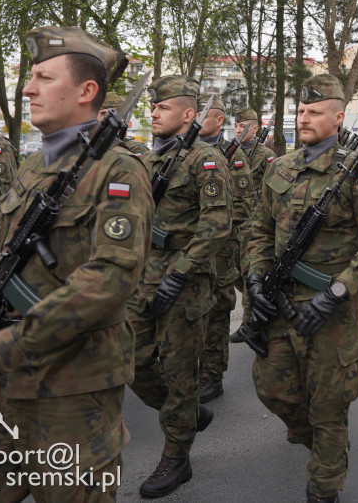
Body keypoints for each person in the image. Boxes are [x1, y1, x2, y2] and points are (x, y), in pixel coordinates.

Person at [0, 29, 150, 502]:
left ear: (86, 91)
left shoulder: (119, 170)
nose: (27, 88)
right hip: (2, 382)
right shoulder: (34, 166)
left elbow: (110, 279)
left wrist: (6, 346)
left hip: (72, 388)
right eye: (30, 77)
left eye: (42, 77)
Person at [246, 74, 358, 501]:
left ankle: (324, 484)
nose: (304, 117)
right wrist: (256, 275)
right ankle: (323, 445)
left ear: (339, 117)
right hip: (279, 302)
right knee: (272, 387)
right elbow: (259, 227)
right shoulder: (280, 167)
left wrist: (339, 290)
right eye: (301, 110)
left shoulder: (357, 173)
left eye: (314, 112)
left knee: (329, 403)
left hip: (331, 309)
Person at [127, 76, 232, 497]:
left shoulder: (204, 160)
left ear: (189, 115)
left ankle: (177, 456)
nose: (153, 112)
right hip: (144, 275)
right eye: (152, 107)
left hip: (184, 282)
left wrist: (179, 272)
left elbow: (217, 224)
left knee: (178, 370)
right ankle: (186, 412)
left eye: (163, 107)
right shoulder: (148, 161)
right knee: (132, 359)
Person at [197, 96, 240, 404]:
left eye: (203, 115)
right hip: (194, 247)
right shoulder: (187, 152)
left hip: (222, 248)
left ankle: (212, 375)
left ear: (218, 121)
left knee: (217, 308)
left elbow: (242, 208)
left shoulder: (229, 157)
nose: (196, 120)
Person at [229, 107, 276, 345]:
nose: (238, 130)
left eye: (243, 126)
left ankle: (249, 324)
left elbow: (272, 187)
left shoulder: (265, 155)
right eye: (236, 126)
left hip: (254, 222)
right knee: (236, 273)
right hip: (234, 221)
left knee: (249, 273)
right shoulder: (228, 151)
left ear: (255, 128)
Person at [98, 90, 150, 156]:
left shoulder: (135, 149)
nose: (99, 119)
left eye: (105, 114)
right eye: (97, 114)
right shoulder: (90, 146)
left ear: (122, 117)